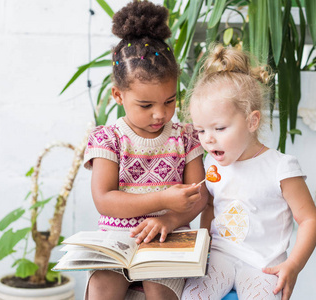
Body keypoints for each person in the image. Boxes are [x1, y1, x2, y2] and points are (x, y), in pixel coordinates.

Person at [82, 1, 208, 300]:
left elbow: (199, 193)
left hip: (168, 237)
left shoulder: (185, 137)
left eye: (169, 101)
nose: (159, 114)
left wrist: (169, 219)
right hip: (116, 241)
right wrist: (163, 199)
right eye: (145, 105)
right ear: (118, 95)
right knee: (101, 287)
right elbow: (104, 200)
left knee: (158, 288)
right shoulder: (108, 138)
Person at [181, 44, 316, 300]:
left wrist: (294, 265)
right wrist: (204, 248)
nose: (208, 140)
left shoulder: (281, 167)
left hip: (263, 265)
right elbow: (210, 206)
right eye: (201, 130)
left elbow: (309, 220)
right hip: (219, 258)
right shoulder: (212, 165)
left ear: (252, 121)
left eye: (219, 128)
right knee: (190, 295)